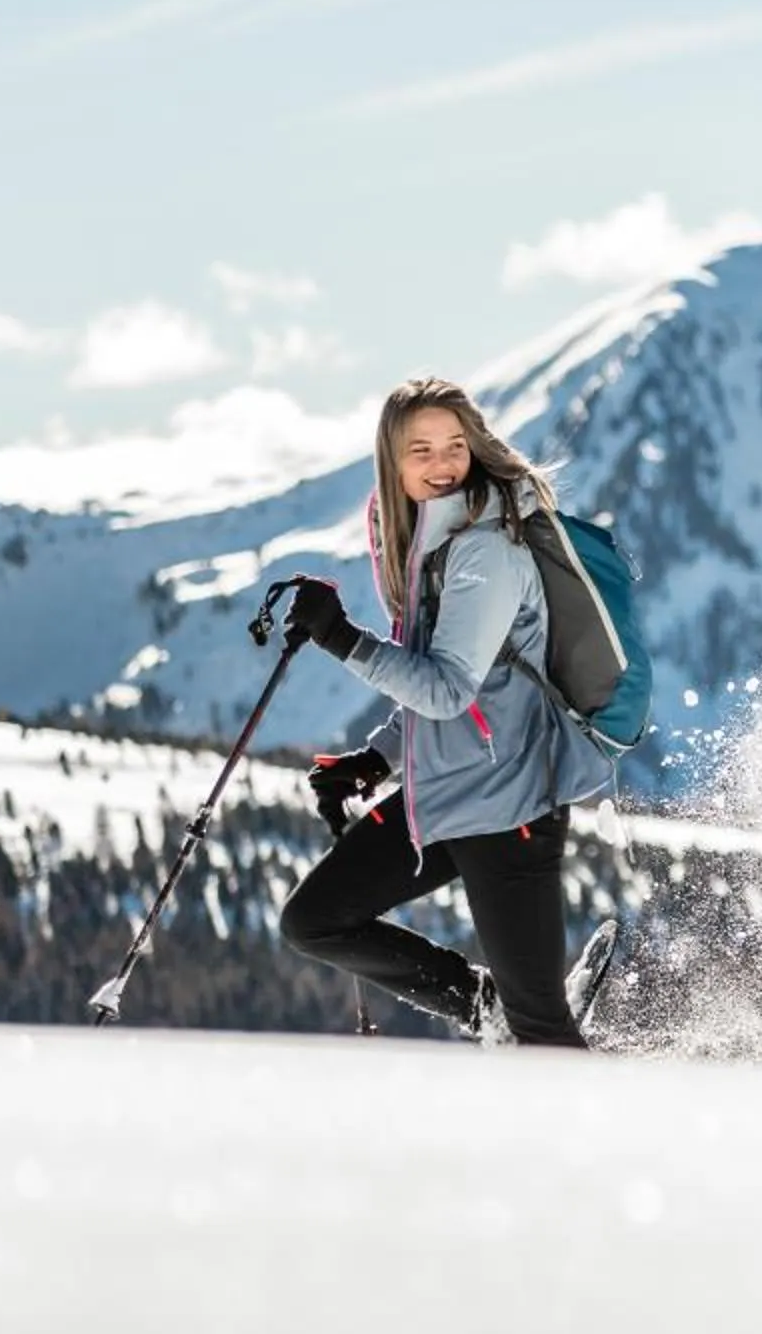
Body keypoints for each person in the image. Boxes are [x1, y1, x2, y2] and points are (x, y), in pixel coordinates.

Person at [275, 377, 618, 1047]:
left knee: (543, 1031)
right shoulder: (433, 547)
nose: (442, 465)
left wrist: (342, 638)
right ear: (392, 464)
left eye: (455, 447)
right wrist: (375, 757)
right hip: (443, 786)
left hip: (509, 802)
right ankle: (483, 1004)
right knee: (315, 920)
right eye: (422, 450)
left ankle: (632, 1128)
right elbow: (451, 691)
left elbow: (448, 690)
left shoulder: (485, 551)